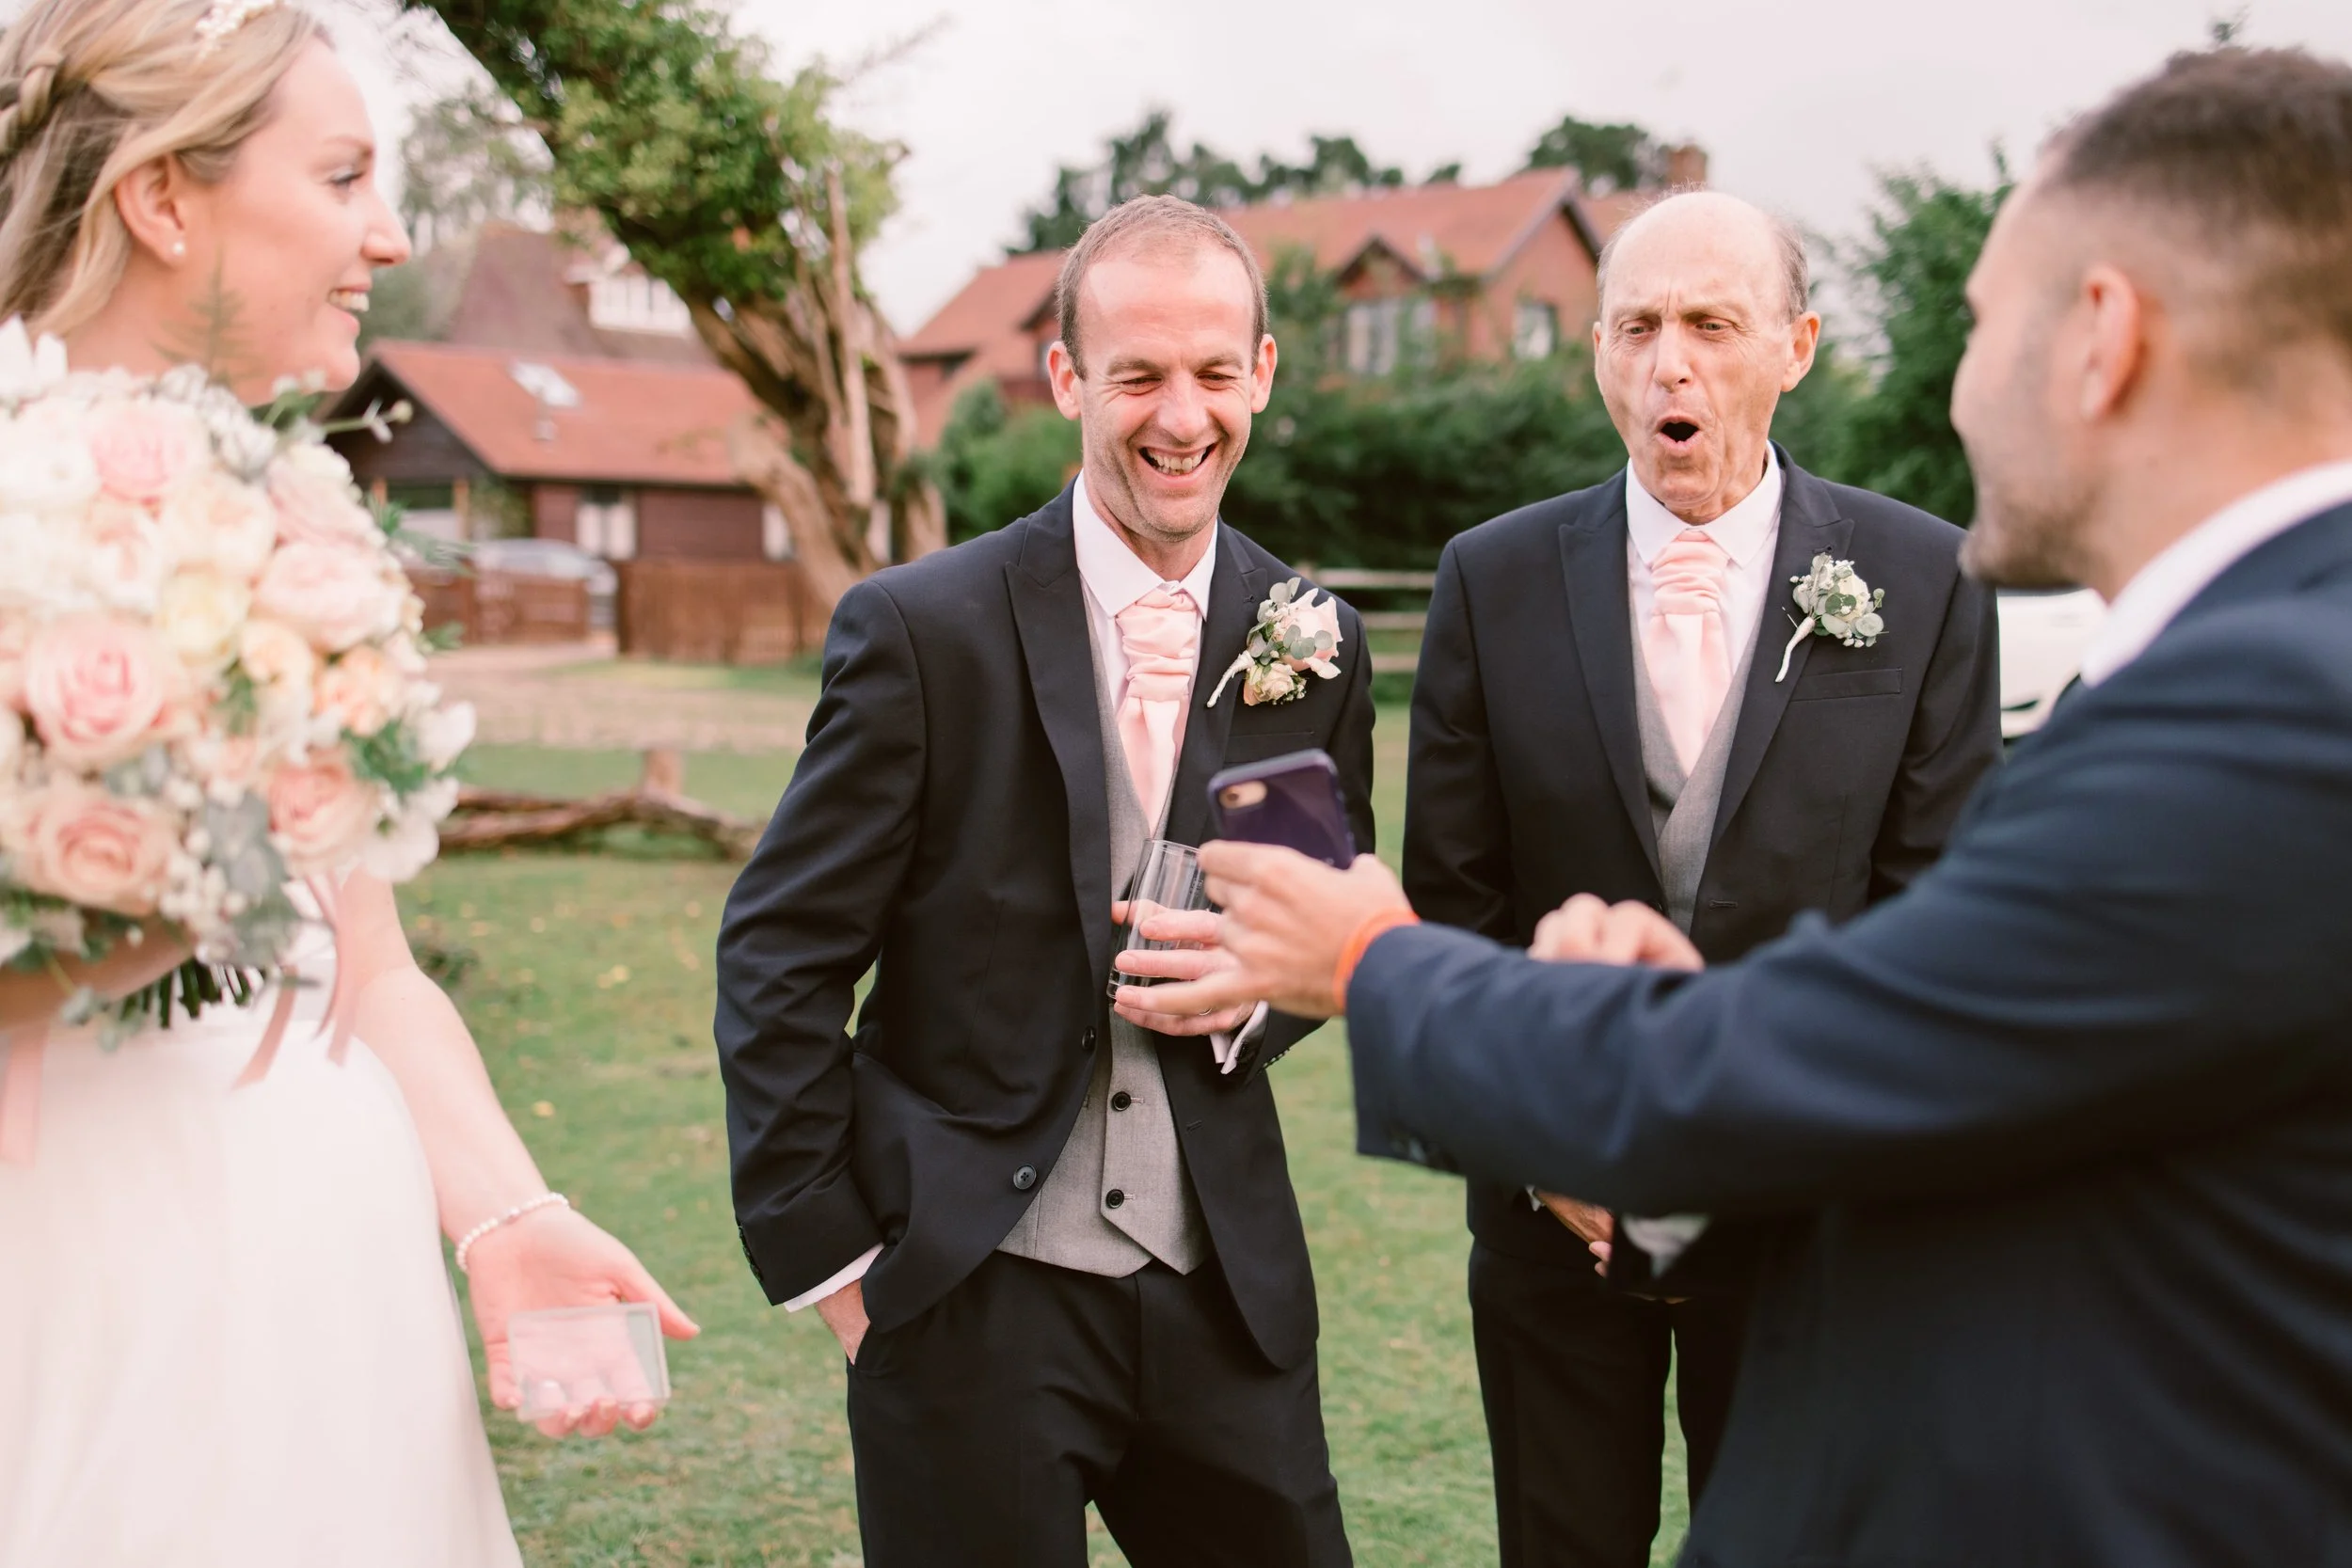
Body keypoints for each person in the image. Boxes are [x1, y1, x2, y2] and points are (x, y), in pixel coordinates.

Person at [1130, 44, 2352, 1565]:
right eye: (1635, 326)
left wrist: (1373, 960)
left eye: (1976, 326)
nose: (1963, 386)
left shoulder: (2267, 712)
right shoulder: (2277, 664)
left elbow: (1882, 1037)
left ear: (2097, 337)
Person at [0, 4, 696, 1563]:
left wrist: (506, 1215)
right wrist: (120, 913)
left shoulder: (293, 525)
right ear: (163, 197)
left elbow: (361, 961)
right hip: (78, 1270)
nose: (387, 235)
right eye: (340, 179)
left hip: (332, 1264)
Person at [715, 196, 1373, 1567]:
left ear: (1260, 373)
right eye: (1137, 374)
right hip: (969, 1287)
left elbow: (1314, 920)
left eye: (1210, 373)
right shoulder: (922, 627)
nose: (1177, 415)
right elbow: (781, 950)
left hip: (1222, 1287)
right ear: (1069, 378)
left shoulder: (1312, 638)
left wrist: (1252, 996)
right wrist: (836, 1264)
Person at [1405, 189, 1999, 1567]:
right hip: (1557, 1228)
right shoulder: (1488, 581)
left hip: (1810, 1229)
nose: (1671, 362)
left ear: (1793, 346)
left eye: (1712, 326)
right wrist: (1541, 1143)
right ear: (1599, 355)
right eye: (1639, 327)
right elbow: (1455, 908)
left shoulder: (1922, 578)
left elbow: (1935, 920)